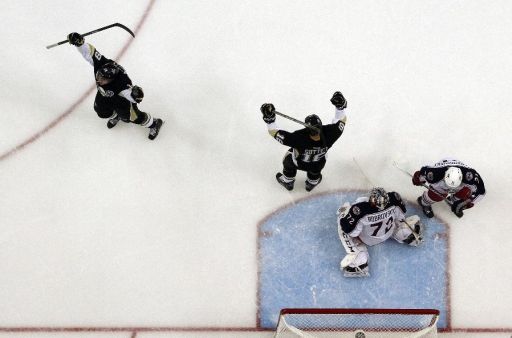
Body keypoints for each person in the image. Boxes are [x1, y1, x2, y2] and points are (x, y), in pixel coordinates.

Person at [67, 32, 163, 140]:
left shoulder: (121, 84)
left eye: (103, 79)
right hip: (105, 94)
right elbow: (89, 52)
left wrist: (137, 95)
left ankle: (154, 123)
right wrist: (80, 43)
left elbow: (132, 95)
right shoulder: (101, 64)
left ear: (111, 79)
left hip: (120, 100)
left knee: (133, 117)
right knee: (100, 111)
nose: (99, 80)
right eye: (99, 76)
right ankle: (116, 115)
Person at [260, 91, 347, 192]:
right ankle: (312, 182)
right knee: (317, 167)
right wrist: (340, 106)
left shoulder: (298, 138)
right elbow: (341, 120)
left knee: (288, 158)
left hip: (299, 163)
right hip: (318, 164)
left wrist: (269, 119)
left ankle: (288, 181)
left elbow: (274, 132)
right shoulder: (331, 133)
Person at [337, 187, 423, 277]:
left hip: (368, 240)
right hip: (389, 232)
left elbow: (352, 233)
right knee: (400, 221)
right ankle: (407, 234)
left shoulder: (361, 210)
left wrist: (346, 215)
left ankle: (357, 257)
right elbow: (401, 217)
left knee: (342, 223)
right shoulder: (394, 199)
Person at [412, 158, 486, 218]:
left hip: (459, 183)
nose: (450, 189)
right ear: (445, 176)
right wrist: (418, 178)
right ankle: (424, 202)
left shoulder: (470, 177)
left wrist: (466, 204)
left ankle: (453, 201)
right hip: (442, 180)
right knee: (436, 195)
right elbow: (421, 173)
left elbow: (481, 192)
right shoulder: (433, 174)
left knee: (466, 192)